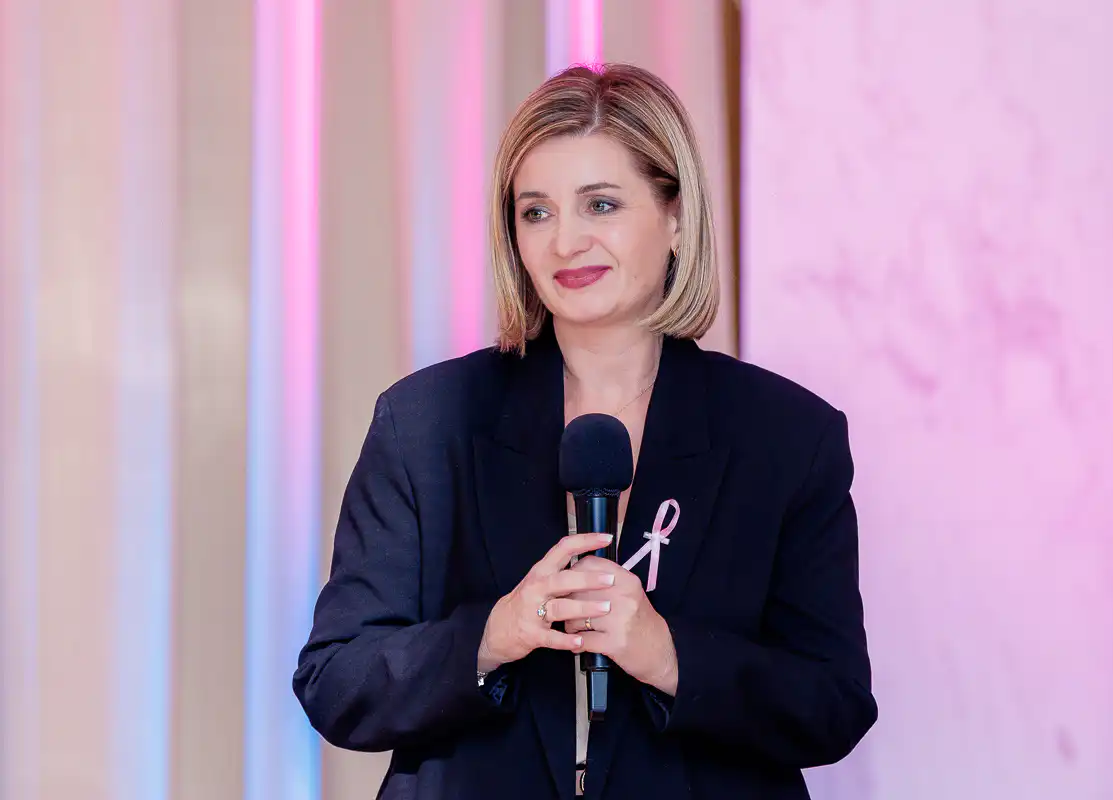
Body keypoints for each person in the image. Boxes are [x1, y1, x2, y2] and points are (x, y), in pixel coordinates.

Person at [294, 63, 876, 800]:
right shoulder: (425, 424)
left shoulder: (788, 437)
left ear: (675, 218)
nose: (566, 241)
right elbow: (336, 679)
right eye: (536, 212)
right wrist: (494, 635)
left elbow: (833, 703)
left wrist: (670, 657)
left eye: (600, 205)